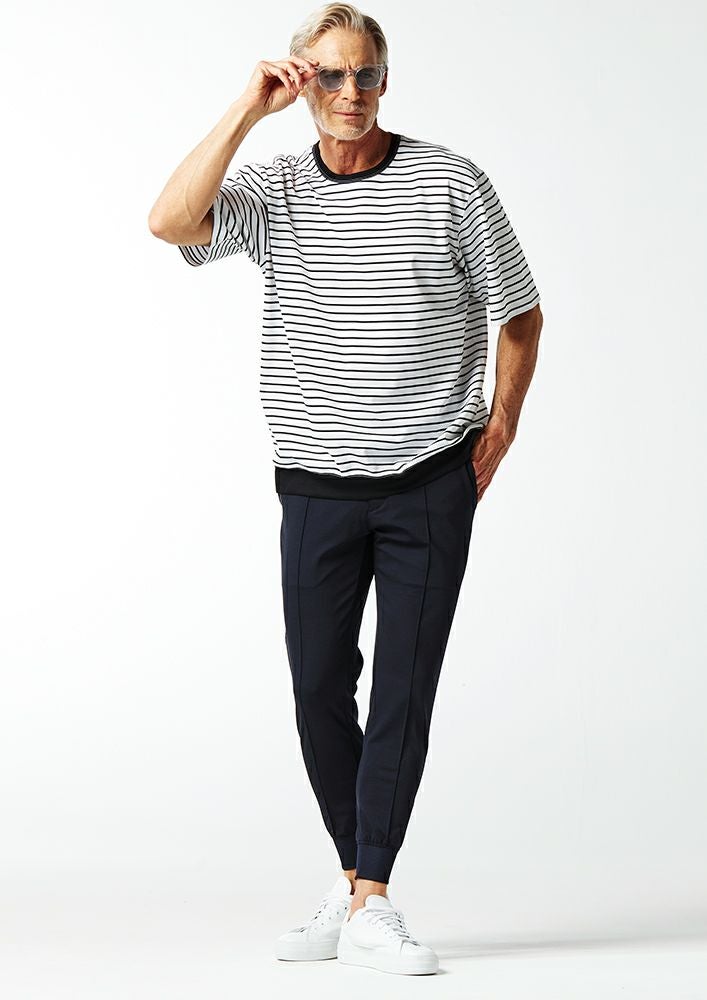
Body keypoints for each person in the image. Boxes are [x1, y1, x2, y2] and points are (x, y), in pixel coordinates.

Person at [148, 2, 543, 977]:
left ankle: (370, 897)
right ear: (303, 82)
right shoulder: (275, 189)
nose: (349, 92)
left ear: (384, 80)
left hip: (427, 482)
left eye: (364, 73)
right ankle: (354, 876)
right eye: (328, 75)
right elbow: (169, 221)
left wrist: (499, 424)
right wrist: (247, 108)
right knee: (318, 685)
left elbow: (520, 311)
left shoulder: (449, 183)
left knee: (403, 688)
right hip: (314, 485)